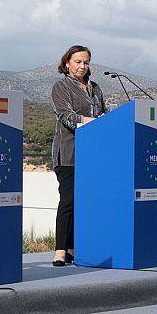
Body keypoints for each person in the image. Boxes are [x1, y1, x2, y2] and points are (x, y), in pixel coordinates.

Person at [50, 45, 106, 266]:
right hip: (69, 153)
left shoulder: (95, 88)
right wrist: (95, 122)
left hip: (93, 155)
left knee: (85, 202)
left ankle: (74, 248)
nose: (82, 66)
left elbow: (104, 114)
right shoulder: (61, 86)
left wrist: (105, 121)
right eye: (78, 62)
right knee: (69, 201)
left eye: (86, 62)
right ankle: (60, 250)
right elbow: (68, 118)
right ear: (67, 64)